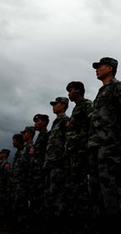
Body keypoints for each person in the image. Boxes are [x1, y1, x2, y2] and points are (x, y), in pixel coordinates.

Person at [88, 57, 121, 233]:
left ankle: (115, 223)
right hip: (96, 145)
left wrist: (118, 140)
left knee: (110, 185)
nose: (97, 69)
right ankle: (100, 221)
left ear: (110, 68)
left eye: (100, 66)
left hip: (110, 144)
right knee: (95, 185)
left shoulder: (118, 87)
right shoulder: (101, 91)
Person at [65, 81, 93, 232]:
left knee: (81, 188)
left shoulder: (87, 104)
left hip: (81, 152)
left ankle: (84, 223)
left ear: (78, 91)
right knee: (73, 188)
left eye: (71, 91)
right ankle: (75, 221)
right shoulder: (76, 109)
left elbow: (92, 123)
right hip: (73, 153)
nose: (69, 94)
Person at [44, 97, 69, 233]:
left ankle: (60, 224)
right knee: (49, 195)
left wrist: (63, 160)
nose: (53, 106)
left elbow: (67, 141)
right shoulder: (55, 123)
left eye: (56, 104)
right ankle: (51, 223)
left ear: (63, 105)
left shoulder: (65, 121)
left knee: (58, 194)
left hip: (58, 164)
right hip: (50, 164)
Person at [30, 114, 49, 232]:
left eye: (38, 121)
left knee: (41, 198)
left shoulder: (46, 135)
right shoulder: (40, 136)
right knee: (35, 198)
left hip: (41, 171)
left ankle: (41, 224)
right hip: (35, 172)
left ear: (44, 122)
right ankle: (36, 224)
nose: (35, 124)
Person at [10, 132, 28, 232]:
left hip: (21, 182)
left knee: (21, 204)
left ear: (18, 141)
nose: (13, 142)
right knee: (15, 204)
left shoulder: (24, 150)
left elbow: (24, 166)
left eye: (14, 140)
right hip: (16, 182)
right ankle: (17, 225)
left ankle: (22, 225)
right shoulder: (18, 152)